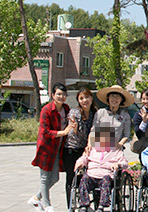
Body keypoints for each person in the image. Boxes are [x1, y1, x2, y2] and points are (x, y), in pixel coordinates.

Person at [29, 82, 76, 212]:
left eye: (63, 94)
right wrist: (63, 132)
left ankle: (36, 198)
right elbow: (45, 131)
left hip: (59, 148)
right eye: (58, 94)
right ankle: (47, 205)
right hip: (46, 148)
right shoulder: (47, 110)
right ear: (53, 95)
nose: (61, 97)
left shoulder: (66, 109)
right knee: (44, 178)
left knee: (55, 177)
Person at [74, 125, 129, 212]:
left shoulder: (116, 150)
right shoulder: (92, 149)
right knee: (84, 179)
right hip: (91, 175)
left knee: (106, 180)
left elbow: (125, 163)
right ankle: (84, 205)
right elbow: (84, 158)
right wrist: (79, 163)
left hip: (106, 176)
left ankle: (101, 206)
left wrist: (118, 164)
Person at [63, 88, 97, 208]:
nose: (84, 100)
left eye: (87, 97)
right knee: (71, 179)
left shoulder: (95, 113)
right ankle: (71, 206)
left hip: (88, 150)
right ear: (78, 100)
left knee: (89, 178)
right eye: (81, 98)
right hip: (73, 149)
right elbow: (72, 134)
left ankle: (87, 204)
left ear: (92, 98)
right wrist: (76, 129)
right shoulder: (75, 113)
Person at [90, 85, 134, 150]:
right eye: (112, 96)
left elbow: (126, 134)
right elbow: (93, 131)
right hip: (99, 149)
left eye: (117, 97)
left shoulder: (125, 115)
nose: (114, 99)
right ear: (108, 98)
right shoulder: (100, 112)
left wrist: (120, 144)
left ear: (121, 99)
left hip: (117, 149)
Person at [132, 88, 148, 155]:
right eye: (143, 99)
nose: (145, 101)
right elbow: (138, 134)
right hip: (144, 148)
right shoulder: (138, 114)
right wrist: (144, 122)